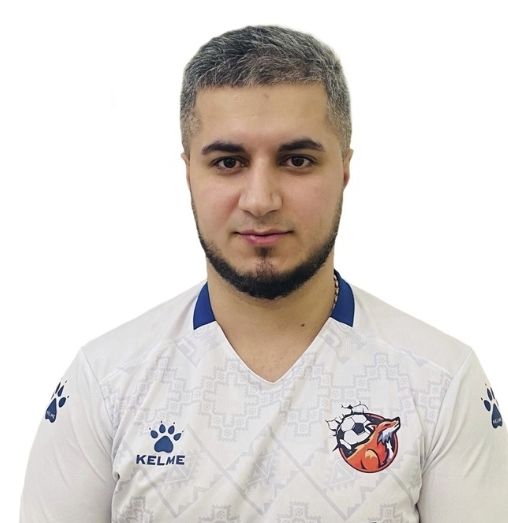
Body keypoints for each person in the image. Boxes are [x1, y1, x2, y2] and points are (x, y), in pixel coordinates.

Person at [20, 24, 507, 522]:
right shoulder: (106, 382)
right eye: (228, 162)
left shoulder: (439, 382)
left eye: (296, 160)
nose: (260, 200)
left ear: (343, 168)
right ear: (189, 173)